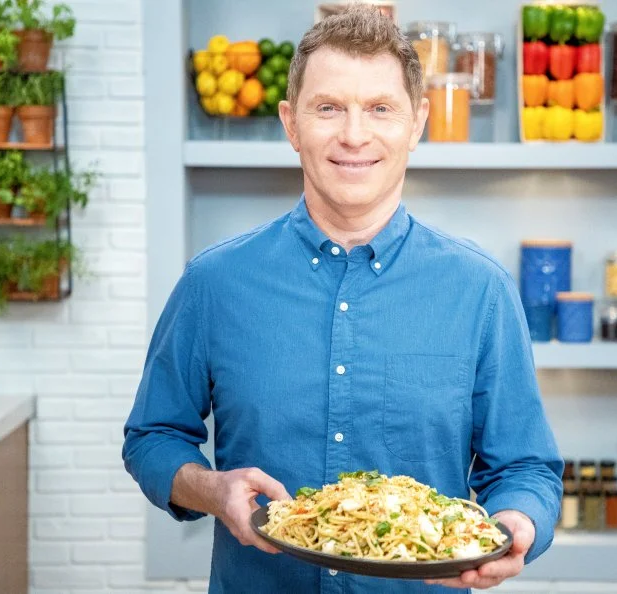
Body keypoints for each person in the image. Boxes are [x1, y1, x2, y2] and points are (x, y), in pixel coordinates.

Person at [123, 5, 562, 593]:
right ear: (291, 124)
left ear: (417, 123)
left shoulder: (480, 292)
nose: (355, 134)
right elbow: (152, 437)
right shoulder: (214, 283)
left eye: (381, 108)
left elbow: (526, 467)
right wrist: (212, 489)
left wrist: (514, 526)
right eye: (328, 108)